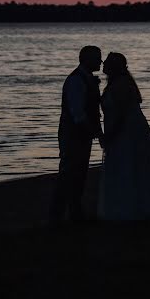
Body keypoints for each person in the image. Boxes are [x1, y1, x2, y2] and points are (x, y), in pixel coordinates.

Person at [98, 52, 150, 221]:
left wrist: (110, 135)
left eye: (106, 61)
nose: (103, 63)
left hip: (127, 132)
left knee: (127, 165)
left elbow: (121, 114)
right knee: (127, 166)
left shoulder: (121, 84)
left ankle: (128, 207)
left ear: (113, 66)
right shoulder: (118, 83)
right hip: (127, 129)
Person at [49, 45, 104, 225]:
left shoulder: (86, 79)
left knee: (79, 174)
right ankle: (58, 215)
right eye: (97, 58)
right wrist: (96, 132)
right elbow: (77, 113)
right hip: (72, 135)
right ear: (86, 59)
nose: (100, 62)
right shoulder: (76, 81)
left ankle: (74, 212)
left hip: (82, 134)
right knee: (68, 173)